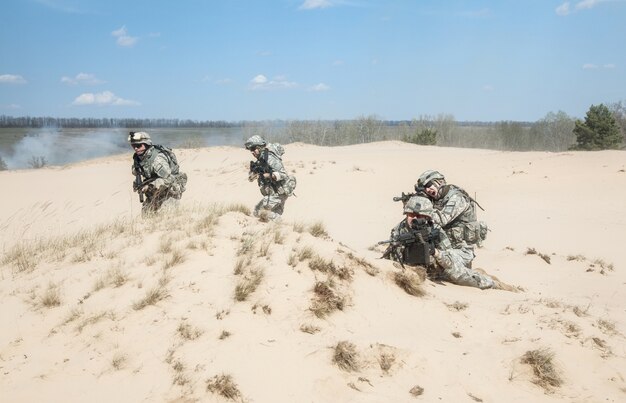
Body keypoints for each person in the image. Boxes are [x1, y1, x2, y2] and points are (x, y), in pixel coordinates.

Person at [385, 196, 497, 290]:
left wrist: (436, 253)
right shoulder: (398, 231)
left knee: (467, 280)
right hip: (414, 270)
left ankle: (493, 284)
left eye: (419, 216)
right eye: (411, 215)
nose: (414, 219)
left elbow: (452, 258)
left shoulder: (435, 230)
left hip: (439, 271)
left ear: (427, 217)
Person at [129, 131, 187, 215]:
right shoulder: (139, 158)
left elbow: (169, 179)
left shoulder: (157, 159)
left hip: (168, 195)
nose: (136, 148)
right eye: (133, 146)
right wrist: (138, 184)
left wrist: (150, 186)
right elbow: (142, 173)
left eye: (138, 145)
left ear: (147, 144)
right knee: (146, 218)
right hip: (153, 195)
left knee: (165, 220)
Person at [244, 135, 296, 221]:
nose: (252, 152)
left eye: (253, 149)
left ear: (259, 147)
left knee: (259, 212)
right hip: (273, 194)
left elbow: (283, 174)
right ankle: (280, 229)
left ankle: (281, 225)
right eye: (250, 150)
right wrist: (253, 175)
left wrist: (267, 175)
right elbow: (252, 177)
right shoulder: (260, 160)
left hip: (278, 193)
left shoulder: (270, 158)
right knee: (269, 216)